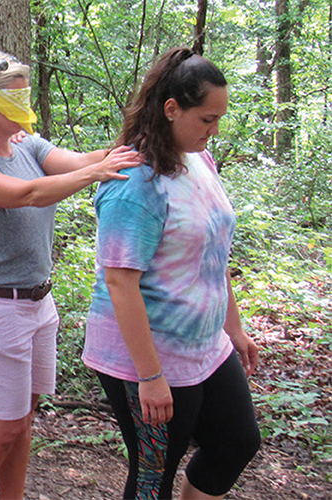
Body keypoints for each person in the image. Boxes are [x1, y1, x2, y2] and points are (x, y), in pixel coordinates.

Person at [0, 49, 139, 500]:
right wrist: (97, 172)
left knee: (23, 420)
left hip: (35, 304)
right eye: (11, 94)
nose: (21, 100)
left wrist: (134, 150)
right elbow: (26, 193)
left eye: (23, 91)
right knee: (3, 425)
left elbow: (79, 160)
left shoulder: (27, 145)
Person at [83, 47, 261, 500]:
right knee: (152, 476)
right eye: (206, 119)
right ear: (171, 109)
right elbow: (120, 282)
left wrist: (233, 328)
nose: (214, 130)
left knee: (236, 442)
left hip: (205, 343)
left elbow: (213, 253)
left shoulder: (198, 160)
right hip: (147, 354)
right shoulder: (135, 182)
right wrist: (149, 376)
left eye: (218, 119)